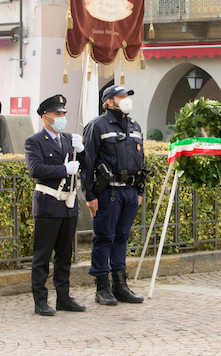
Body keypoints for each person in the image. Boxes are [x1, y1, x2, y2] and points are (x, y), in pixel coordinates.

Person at [24, 95, 89, 316]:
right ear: (46, 117)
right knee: (42, 256)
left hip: (68, 204)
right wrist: (64, 170)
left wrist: (81, 150)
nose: (62, 118)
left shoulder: (69, 139)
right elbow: (36, 170)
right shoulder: (35, 141)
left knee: (65, 254)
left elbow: (87, 164)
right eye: (58, 114)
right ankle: (40, 300)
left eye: (63, 114)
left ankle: (64, 298)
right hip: (48, 203)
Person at [82, 85, 147, 305]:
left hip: (129, 192)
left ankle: (120, 284)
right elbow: (86, 163)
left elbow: (142, 162)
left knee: (122, 238)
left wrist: (139, 191)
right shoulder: (97, 125)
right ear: (109, 102)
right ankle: (102, 287)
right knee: (104, 238)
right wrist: (90, 195)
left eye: (127, 96)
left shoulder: (134, 126)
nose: (126, 100)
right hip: (108, 192)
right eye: (121, 97)